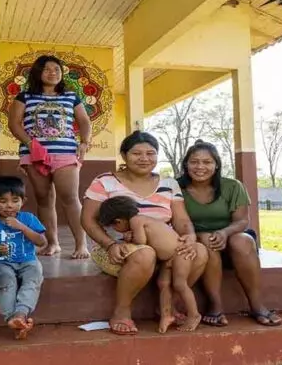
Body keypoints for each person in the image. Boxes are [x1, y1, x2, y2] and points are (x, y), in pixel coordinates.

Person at [81, 131, 208, 336]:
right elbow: (87, 219)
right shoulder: (105, 181)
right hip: (117, 248)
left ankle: (167, 306)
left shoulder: (169, 184)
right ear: (124, 155)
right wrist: (110, 244)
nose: (144, 158)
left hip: (162, 249)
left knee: (199, 251)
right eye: (136, 153)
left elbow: (182, 220)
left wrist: (190, 236)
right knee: (145, 253)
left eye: (150, 153)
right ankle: (122, 311)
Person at [178, 140, 282, 327]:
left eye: (207, 162)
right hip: (198, 242)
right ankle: (215, 305)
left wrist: (224, 233)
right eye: (194, 162)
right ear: (186, 164)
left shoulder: (232, 186)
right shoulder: (177, 188)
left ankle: (257, 304)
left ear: (216, 165)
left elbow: (242, 221)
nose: (200, 167)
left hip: (230, 235)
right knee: (206, 238)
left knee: (243, 241)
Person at [8, 55, 92, 259]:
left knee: (70, 198)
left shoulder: (71, 96)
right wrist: (30, 144)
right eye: (47, 69)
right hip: (34, 155)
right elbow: (14, 123)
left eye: (56, 69)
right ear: (38, 72)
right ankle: (53, 243)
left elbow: (84, 121)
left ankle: (81, 245)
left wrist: (84, 142)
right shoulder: (24, 97)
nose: (52, 72)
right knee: (44, 199)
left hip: (66, 154)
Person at [98, 196, 202, 333]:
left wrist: (129, 239)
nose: (116, 230)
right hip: (169, 258)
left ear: (119, 221)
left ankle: (194, 315)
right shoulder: (141, 220)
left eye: (114, 227)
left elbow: (141, 241)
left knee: (179, 284)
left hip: (180, 254)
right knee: (163, 283)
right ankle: (167, 316)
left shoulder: (136, 221)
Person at [0, 176, 46, 340]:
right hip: (1, 263)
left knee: (34, 276)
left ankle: (21, 313)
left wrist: (22, 227)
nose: (9, 205)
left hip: (27, 261)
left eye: (15, 200)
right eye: (2, 201)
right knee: (6, 280)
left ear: (23, 201)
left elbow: (42, 242)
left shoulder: (28, 218)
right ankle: (12, 318)